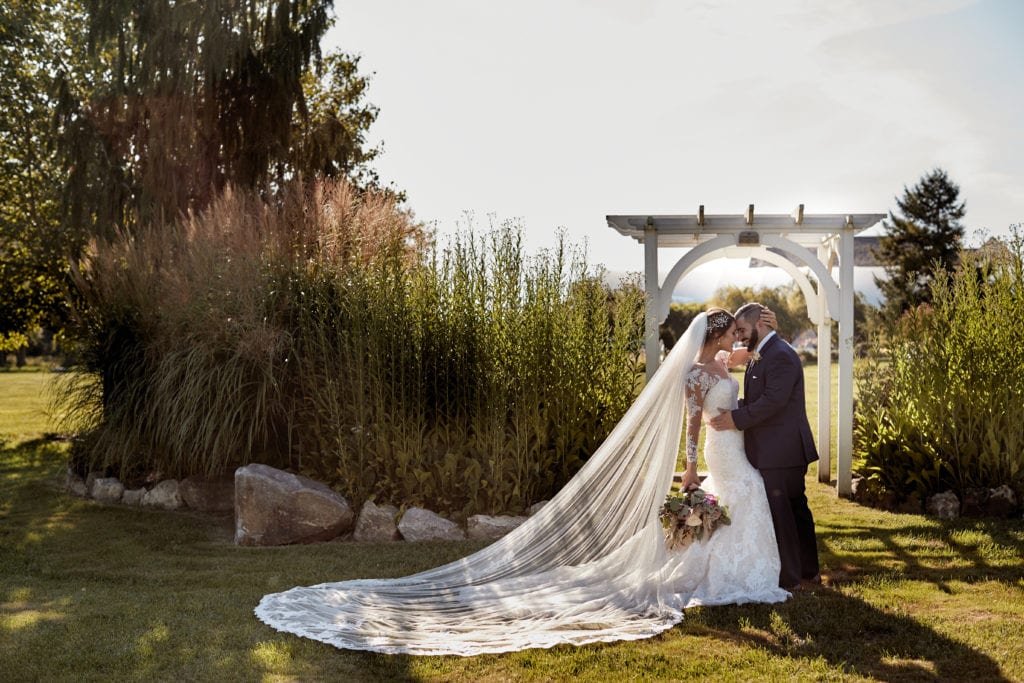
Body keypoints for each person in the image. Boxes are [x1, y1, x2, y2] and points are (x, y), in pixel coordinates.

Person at [255, 310, 790, 656]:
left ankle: (724, 570)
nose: (732, 341)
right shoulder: (698, 376)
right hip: (720, 451)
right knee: (737, 499)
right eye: (728, 335)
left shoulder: (719, 363)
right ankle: (728, 574)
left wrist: (741, 357)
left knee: (735, 503)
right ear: (716, 335)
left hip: (734, 446)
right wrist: (691, 464)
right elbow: (693, 422)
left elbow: (734, 366)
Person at [709, 302, 821, 591]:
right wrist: (735, 406)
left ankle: (791, 579)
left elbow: (774, 402)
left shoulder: (780, 355)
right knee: (794, 510)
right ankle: (808, 571)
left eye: (743, 331)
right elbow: (762, 397)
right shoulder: (764, 352)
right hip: (779, 448)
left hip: (782, 450)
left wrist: (735, 418)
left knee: (785, 513)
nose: (740, 338)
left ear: (760, 325)